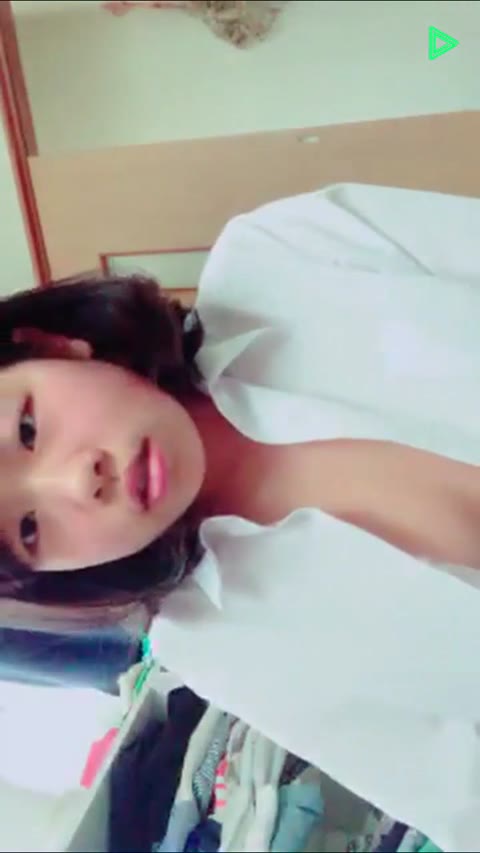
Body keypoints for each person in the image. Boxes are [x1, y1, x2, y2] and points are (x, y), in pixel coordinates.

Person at [1, 182, 480, 849]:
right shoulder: (211, 643)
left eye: (27, 428)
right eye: (29, 528)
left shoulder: (283, 256)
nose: (80, 479)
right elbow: (461, 792)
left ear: (53, 347)